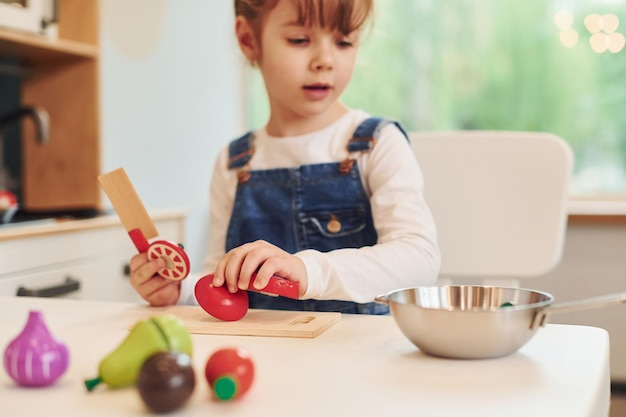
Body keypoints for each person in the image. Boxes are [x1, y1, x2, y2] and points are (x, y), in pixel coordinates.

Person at [129, 0, 441, 314]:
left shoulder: (376, 144)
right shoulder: (234, 162)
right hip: (269, 355)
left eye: (344, 41)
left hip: (359, 354)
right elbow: (221, 278)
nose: (325, 60)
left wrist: (309, 271)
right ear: (249, 40)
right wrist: (179, 290)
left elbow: (419, 259)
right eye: (300, 40)